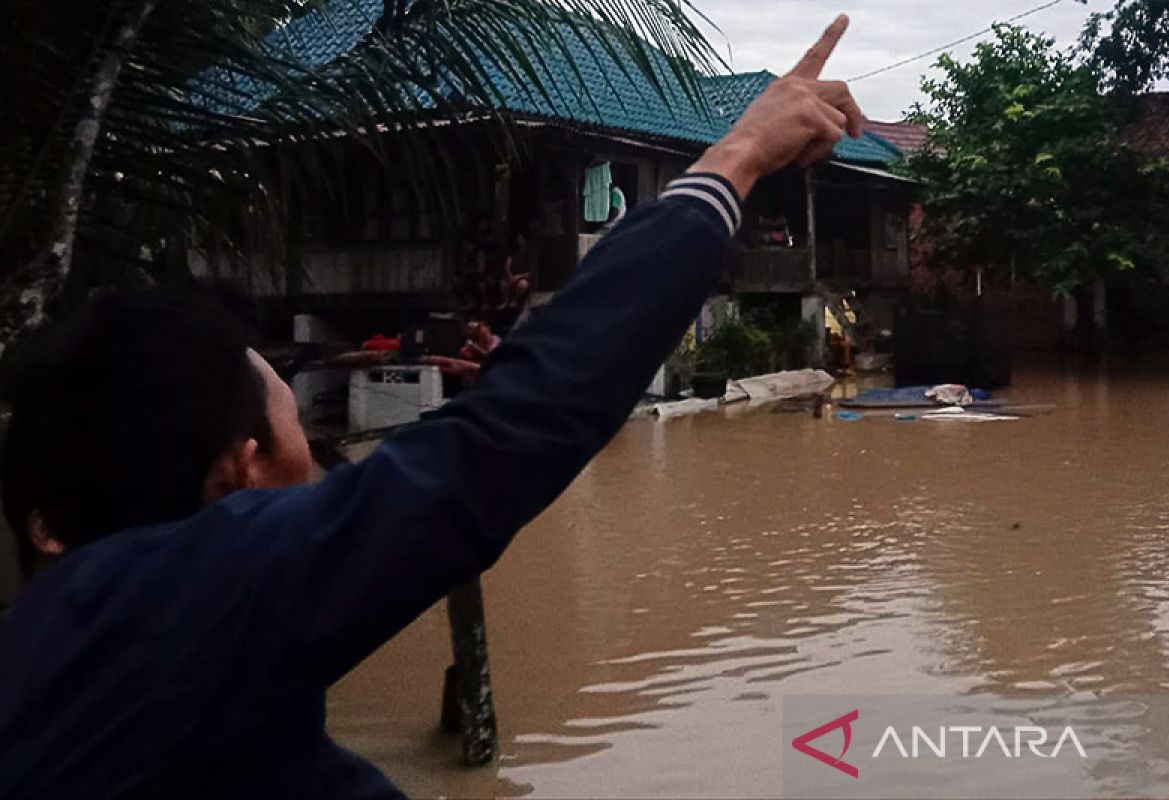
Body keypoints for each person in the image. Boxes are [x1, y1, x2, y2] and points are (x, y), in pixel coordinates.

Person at [0, 16, 864, 799]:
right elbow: (511, 434)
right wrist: (740, 155)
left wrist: (481, 408)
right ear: (240, 473)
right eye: (303, 439)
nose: (325, 467)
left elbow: (453, 455)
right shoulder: (190, 603)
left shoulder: (63, 654)